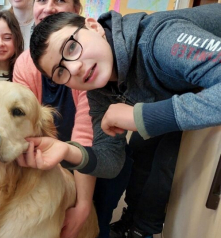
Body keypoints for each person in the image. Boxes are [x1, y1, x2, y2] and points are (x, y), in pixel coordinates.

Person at [26, 4, 221, 237]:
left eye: (71, 48)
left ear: (93, 26)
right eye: (60, 72)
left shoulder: (157, 40)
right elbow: (111, 159)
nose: (75, 67)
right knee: (145, 152)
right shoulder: (100, 91)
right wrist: (67, 152)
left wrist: (142, 117)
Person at [13, 1, 133, 237]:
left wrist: (83, 205)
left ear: (77, 10)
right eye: (41, 1)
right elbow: (25, 127)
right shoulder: (24, 65)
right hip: (52, 165)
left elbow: (85, 136)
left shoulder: (88, 66)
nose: (48, 8)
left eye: (59, 0)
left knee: (92, 226)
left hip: (99, 161)